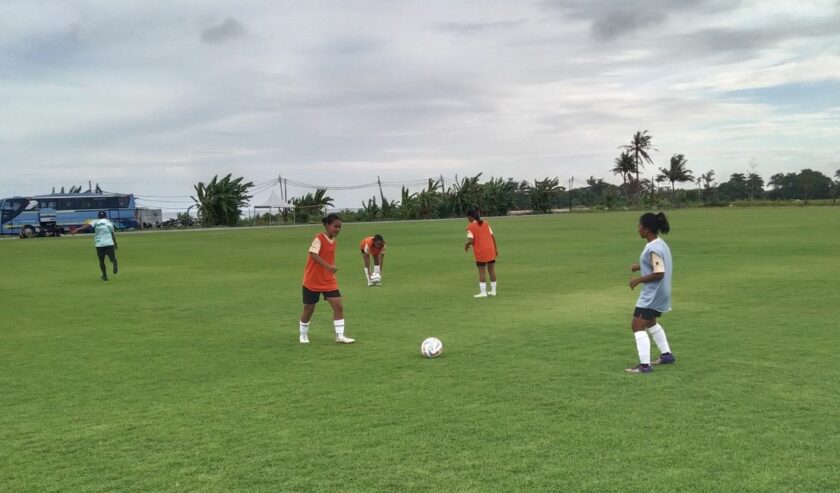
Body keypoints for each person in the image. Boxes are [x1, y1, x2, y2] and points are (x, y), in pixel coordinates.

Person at [625, 212, 676, 373]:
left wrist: (637, 280)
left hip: (653, 294)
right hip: (662, 292)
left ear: (647, 229)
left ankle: (645, 366)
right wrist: (639, 266)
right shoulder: (660, 244)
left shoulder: (653, 247)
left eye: (639, 226)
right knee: (651, 322)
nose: (637, 229)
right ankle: (666, 355)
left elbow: (659, 271)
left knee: (637, 325)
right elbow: (657, 263)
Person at [299, 213, 355, 344]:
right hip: (312, 280)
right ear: (327, 225)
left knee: (338, 306)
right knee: (309, 309)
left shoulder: (333, 241)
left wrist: (329, 270)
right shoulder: (319, 238)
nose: (338, 229)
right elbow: (313, 254)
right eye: (335, 226)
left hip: (328, 280)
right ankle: (303, 335)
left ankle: (339, 336)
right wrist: (329, 267)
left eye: (339, 227)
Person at [72, 211, 118, 281]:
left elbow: (87, 225)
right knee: (112, 258)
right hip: (109, 243)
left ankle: (105, 276)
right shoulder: (109, 223)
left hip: (99, 244)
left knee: (101, 260)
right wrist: (115, 244)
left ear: (98, 217)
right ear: (106, 217)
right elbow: (112, 235)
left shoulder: (95, 222)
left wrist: (78, 229)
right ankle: (114, 262)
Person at [464, 210, 498, 298]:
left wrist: (466, 244)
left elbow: (471, 240)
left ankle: (483, 292)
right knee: (491, 270)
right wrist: (496, 248)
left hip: (481, 251)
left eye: (468, 217)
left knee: (482, 271)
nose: (467, 219)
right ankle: (493, 291)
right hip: (490, 249)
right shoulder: (486, 223)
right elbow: (492, 236)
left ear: (471, 217)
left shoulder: (470, 227)